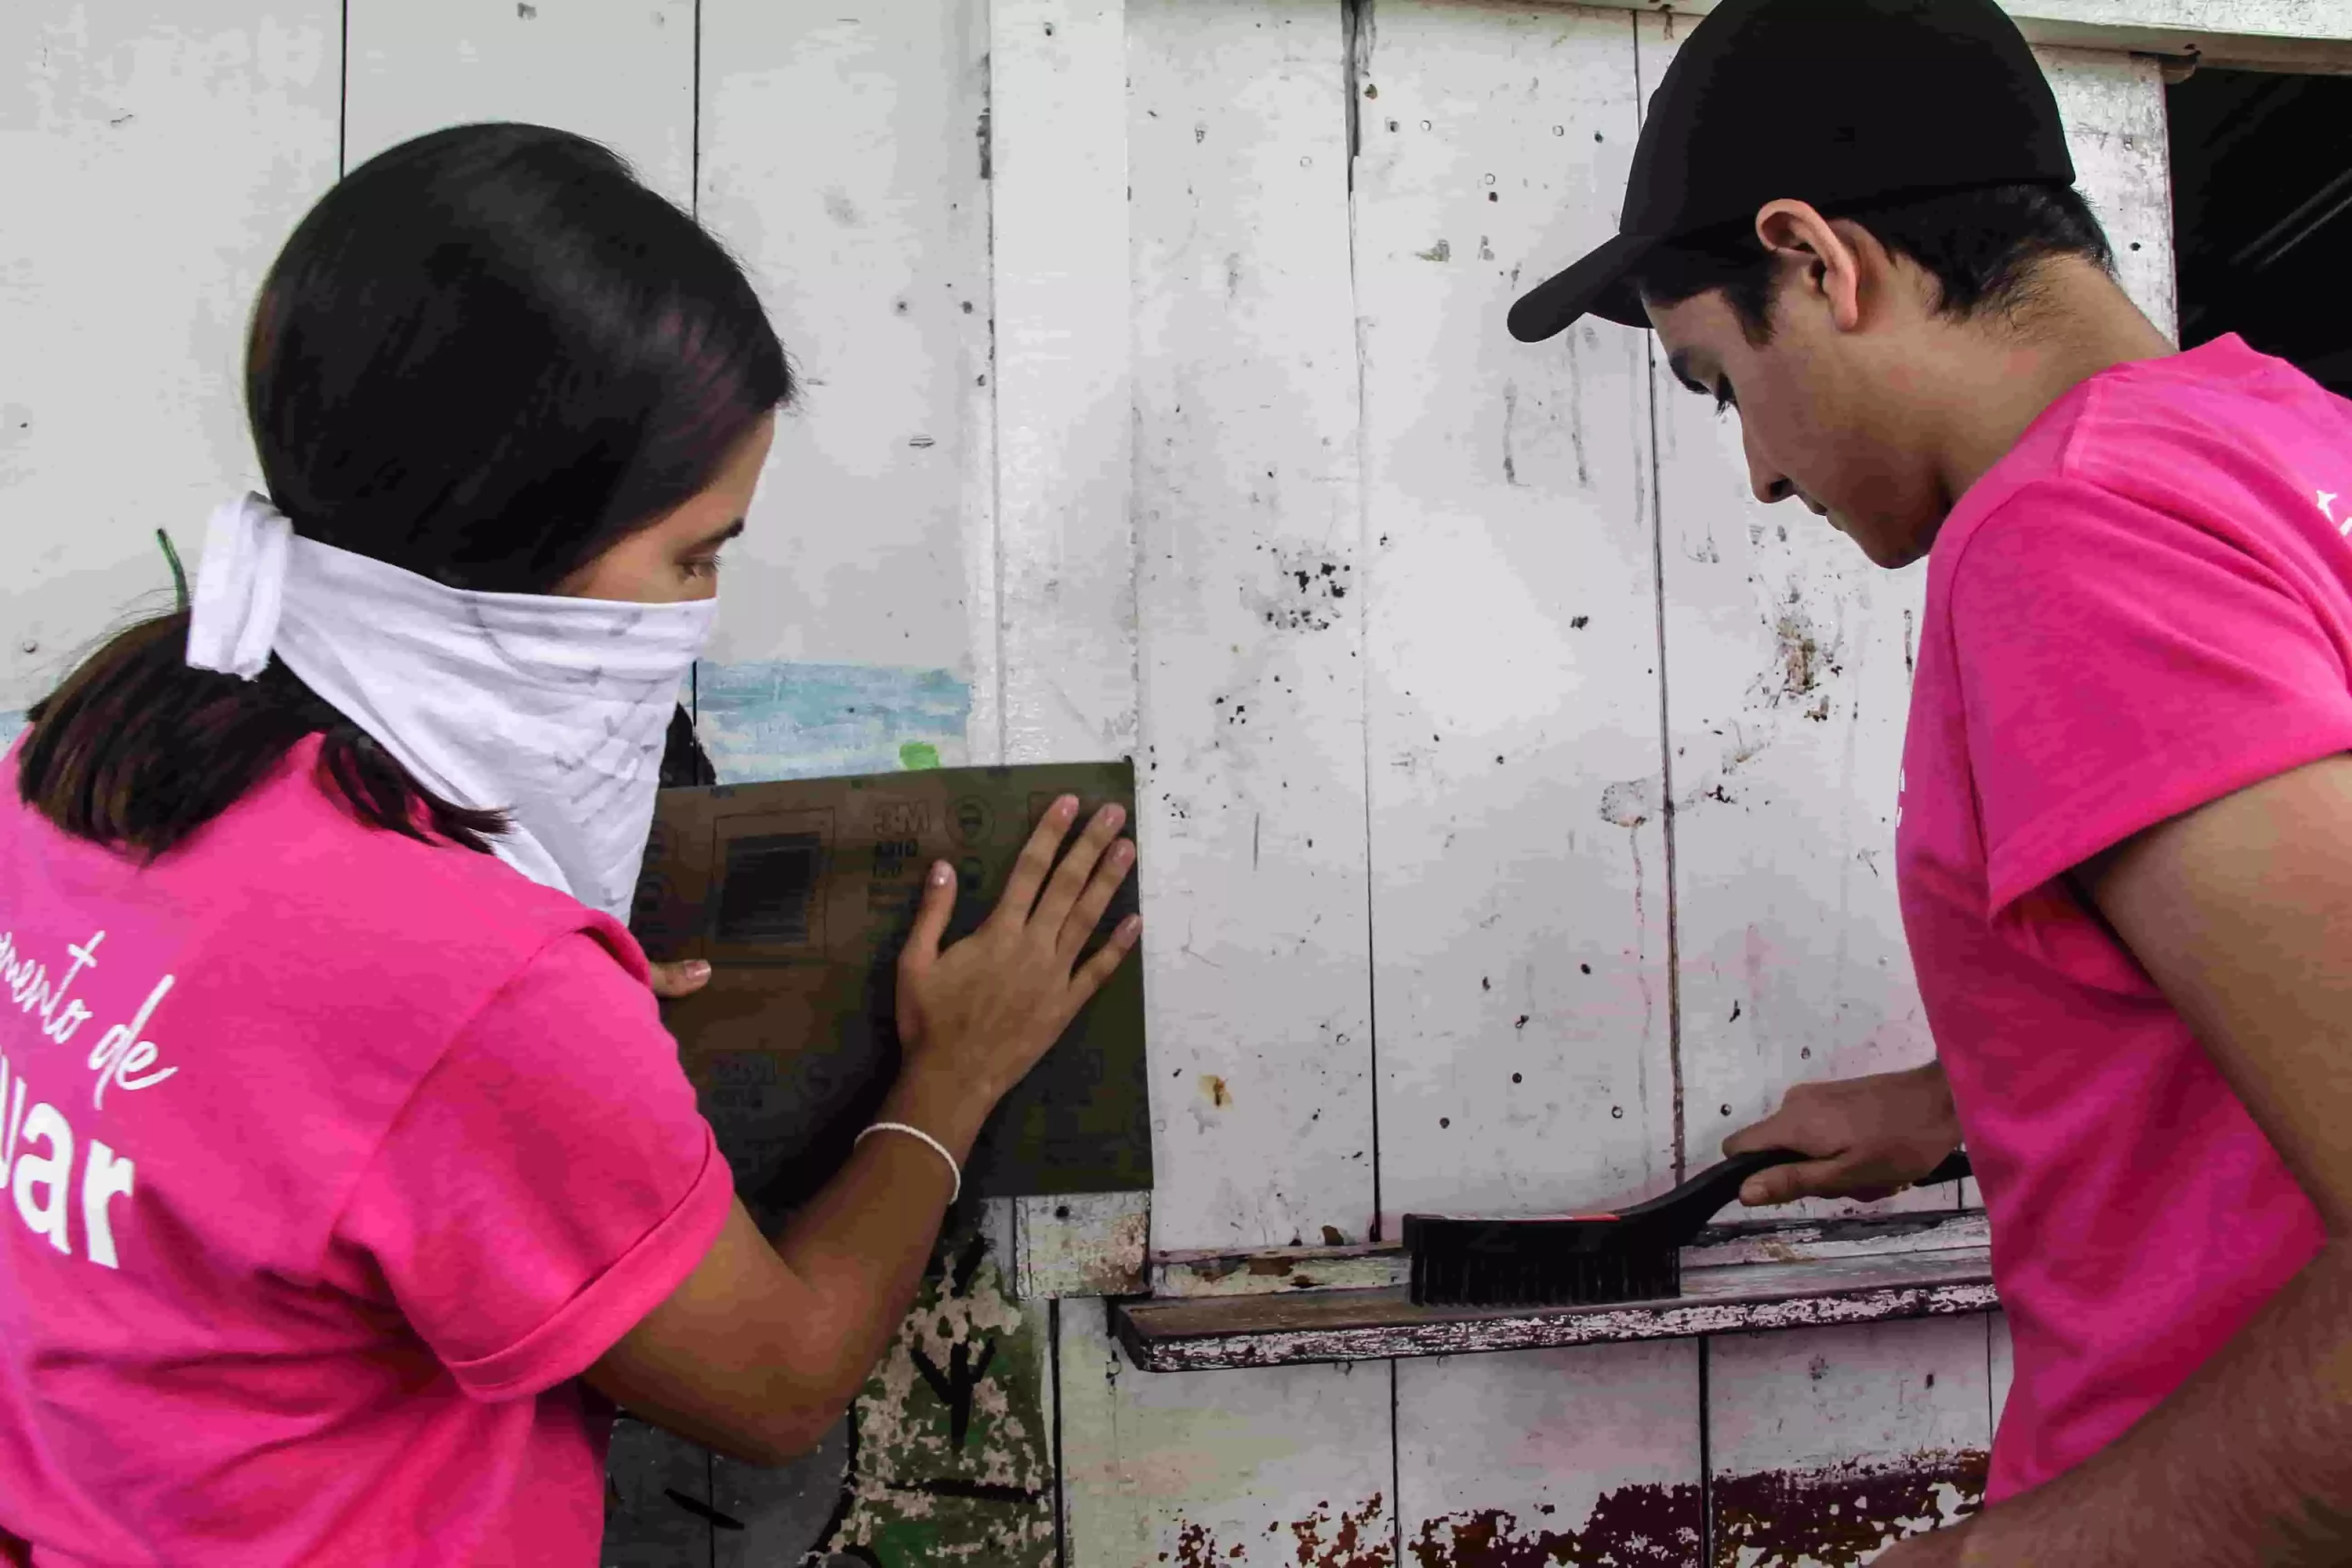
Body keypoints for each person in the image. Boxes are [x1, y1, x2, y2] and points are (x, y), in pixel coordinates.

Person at [0, 122, 1140, 1565]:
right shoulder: (473, 985)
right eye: (695, 554)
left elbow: (269, 1107)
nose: (701, 608)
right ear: (513, 524)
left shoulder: (80, 753)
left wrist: (522, 1059)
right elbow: (777, 1383)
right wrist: (953, 1075)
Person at [1508, 0, 2351, 1560]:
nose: (1756, 470)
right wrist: (1973, 1102)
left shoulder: (2073, 545)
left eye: (1716, 383)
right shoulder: (2292, 447)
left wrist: (1990, 1559)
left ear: (1819, 261)